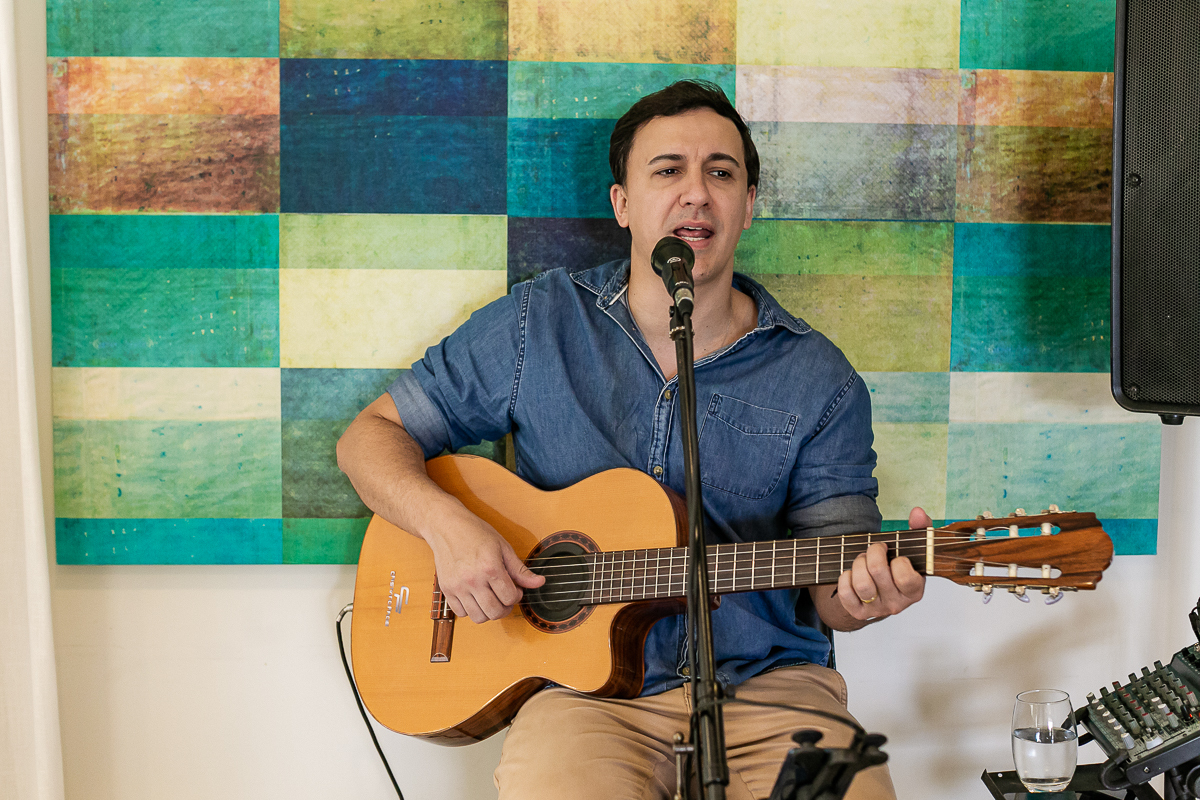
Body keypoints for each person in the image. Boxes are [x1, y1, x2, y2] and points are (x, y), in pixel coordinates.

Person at [338, 80, 928, 800]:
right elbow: (371, 438)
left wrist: (866, 596)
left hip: (772, 696)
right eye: (667, 170)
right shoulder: (538, 323)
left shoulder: (819, 378)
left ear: (747, 204)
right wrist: (448, 528)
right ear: (622, 203)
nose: (696, 194)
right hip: (581, 701)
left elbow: (837, 594)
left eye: (721, 172)